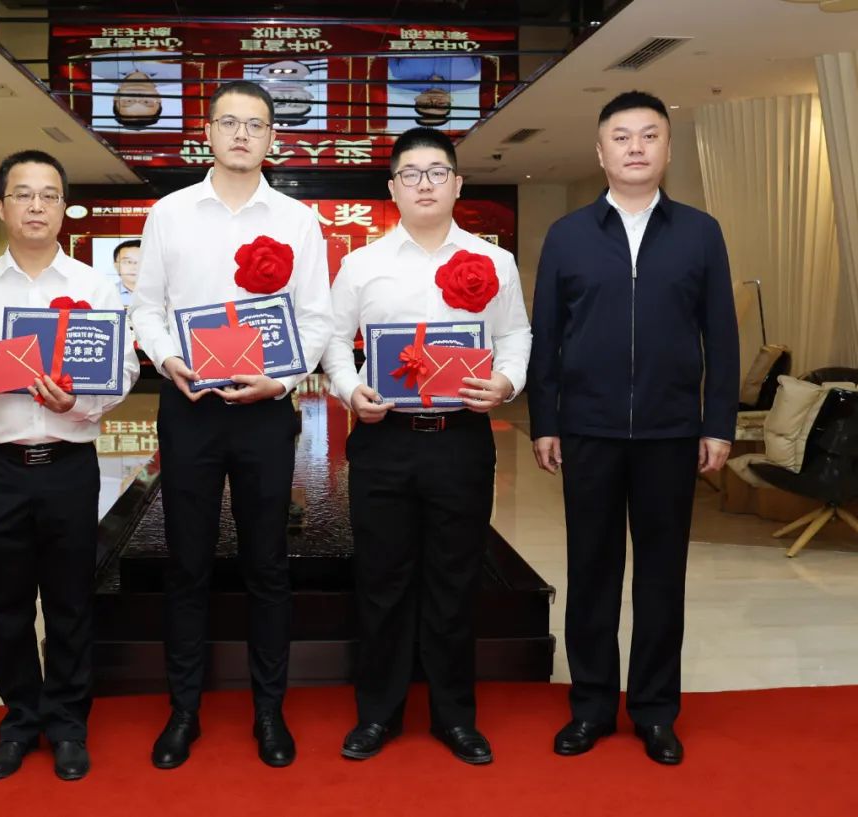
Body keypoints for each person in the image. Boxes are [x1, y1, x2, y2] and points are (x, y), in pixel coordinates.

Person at [527, 91, 740, 766]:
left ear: (668, 148)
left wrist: (718, 422)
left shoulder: (700, 232)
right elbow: (546, 337)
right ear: (601, 152)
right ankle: (591, 706)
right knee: (591, 571)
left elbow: (723, 336)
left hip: (670, 431)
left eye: (650, 135)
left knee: (660, 577)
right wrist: (544, 420)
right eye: (621, 137)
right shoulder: (568, 235)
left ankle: (654, 710)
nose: (636, 147)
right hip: (587, 429)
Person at [131, 80, 333, 769]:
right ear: (208, 132)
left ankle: (269, 711)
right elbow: (147, 307)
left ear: (273, 137)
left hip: (266, 410)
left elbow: (315, 318)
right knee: (186, 563)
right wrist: (167, 359)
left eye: (256, 124)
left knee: (267, 564)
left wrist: (285, 378)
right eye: (230, 122)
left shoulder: (298, 221)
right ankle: (183, 711)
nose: (242, 134)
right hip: (189, 407)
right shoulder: (170, 213)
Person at [0, 149, 140, 781]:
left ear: (64, 207)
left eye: (49, 195)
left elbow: (123, 370)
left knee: (71, 602)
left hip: (69, 465)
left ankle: (68, 724)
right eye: (23, 194)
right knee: (7, 606)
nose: (37, 206)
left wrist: (80, 401)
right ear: (2, 207)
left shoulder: (94, 286)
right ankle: (20, 721)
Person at [320, 127, 531, 765]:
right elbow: (334, 341)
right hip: (384, 441)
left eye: (437, 172)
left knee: (454, 582)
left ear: (458, 184)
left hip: (460, 441)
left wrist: (506, 381)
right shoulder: (363, 264)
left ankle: (454, 717)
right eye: (410, 174)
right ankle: (378, 715)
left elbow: (515, 335)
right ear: (393, 189)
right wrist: (350, 389)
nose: (424, 184)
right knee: (381, 581)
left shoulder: (493, 262)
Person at [387, 56, 481, 128]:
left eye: (426, 105)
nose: (434, 100)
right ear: (450, 100)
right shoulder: (472, 71)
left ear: (417, 99)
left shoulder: (398, 71)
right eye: (441, 105)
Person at [113, 238, 142, 305]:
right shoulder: (107, 293)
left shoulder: (162, 293)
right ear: (116, 265)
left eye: (141, 261)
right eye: (128, 262)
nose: (134, 267)